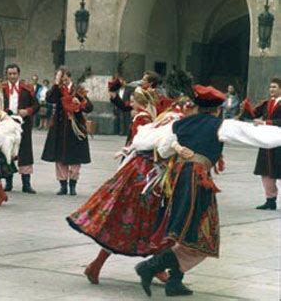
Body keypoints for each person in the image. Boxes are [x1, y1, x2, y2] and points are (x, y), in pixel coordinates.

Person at [134, 84, 281, 297]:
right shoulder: (219, 125)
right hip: (196, 180)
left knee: (192, 232)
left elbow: (144, 140)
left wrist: (173, 147)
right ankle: (150, 267)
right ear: (217, 109)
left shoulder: (179, 124)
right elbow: (257, 135)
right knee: (196, 233)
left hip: (180, 178)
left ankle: (174, 281)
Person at [67, 90, 192, 286]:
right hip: (147, 175)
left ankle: (99, 265)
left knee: (141, 221)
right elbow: (161, 147)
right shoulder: (176, 122)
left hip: (141, 172)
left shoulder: (165, 118)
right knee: (151, 221)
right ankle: (104, 265)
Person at [41, 67, 93, 196]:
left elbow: (89, 107)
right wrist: (55, 84)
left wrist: (80, 104)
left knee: (75, 158)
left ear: (69, 77)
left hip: (75, 128)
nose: (63, 80)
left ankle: (73, 184)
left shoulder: (78, 90)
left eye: (64, 78)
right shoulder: (57, 90)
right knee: (59, 157)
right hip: (59, 127)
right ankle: (63, 184)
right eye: (60, 78)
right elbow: (50, 99)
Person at [240, 77, 281, 210]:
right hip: (266, 142)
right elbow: (253, 114)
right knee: (266, 172)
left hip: (279, 142)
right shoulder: (266, 103)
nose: (271, 89)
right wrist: (245, 108)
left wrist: (266, 123)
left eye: (274, 87)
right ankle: (270, 200)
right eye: (270, 87)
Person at [3, 64, 39, 194]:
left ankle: (26, 183)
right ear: (7, 75)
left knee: (25, 151)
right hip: (6, 124)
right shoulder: (2, 89)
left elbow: (36, 105)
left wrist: (27, 111)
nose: (12, 76)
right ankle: (8, 182)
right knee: (7, 151)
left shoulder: (27, 88)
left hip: (23, 124)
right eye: (10, 74)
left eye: (14, 74)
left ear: (18, 74)